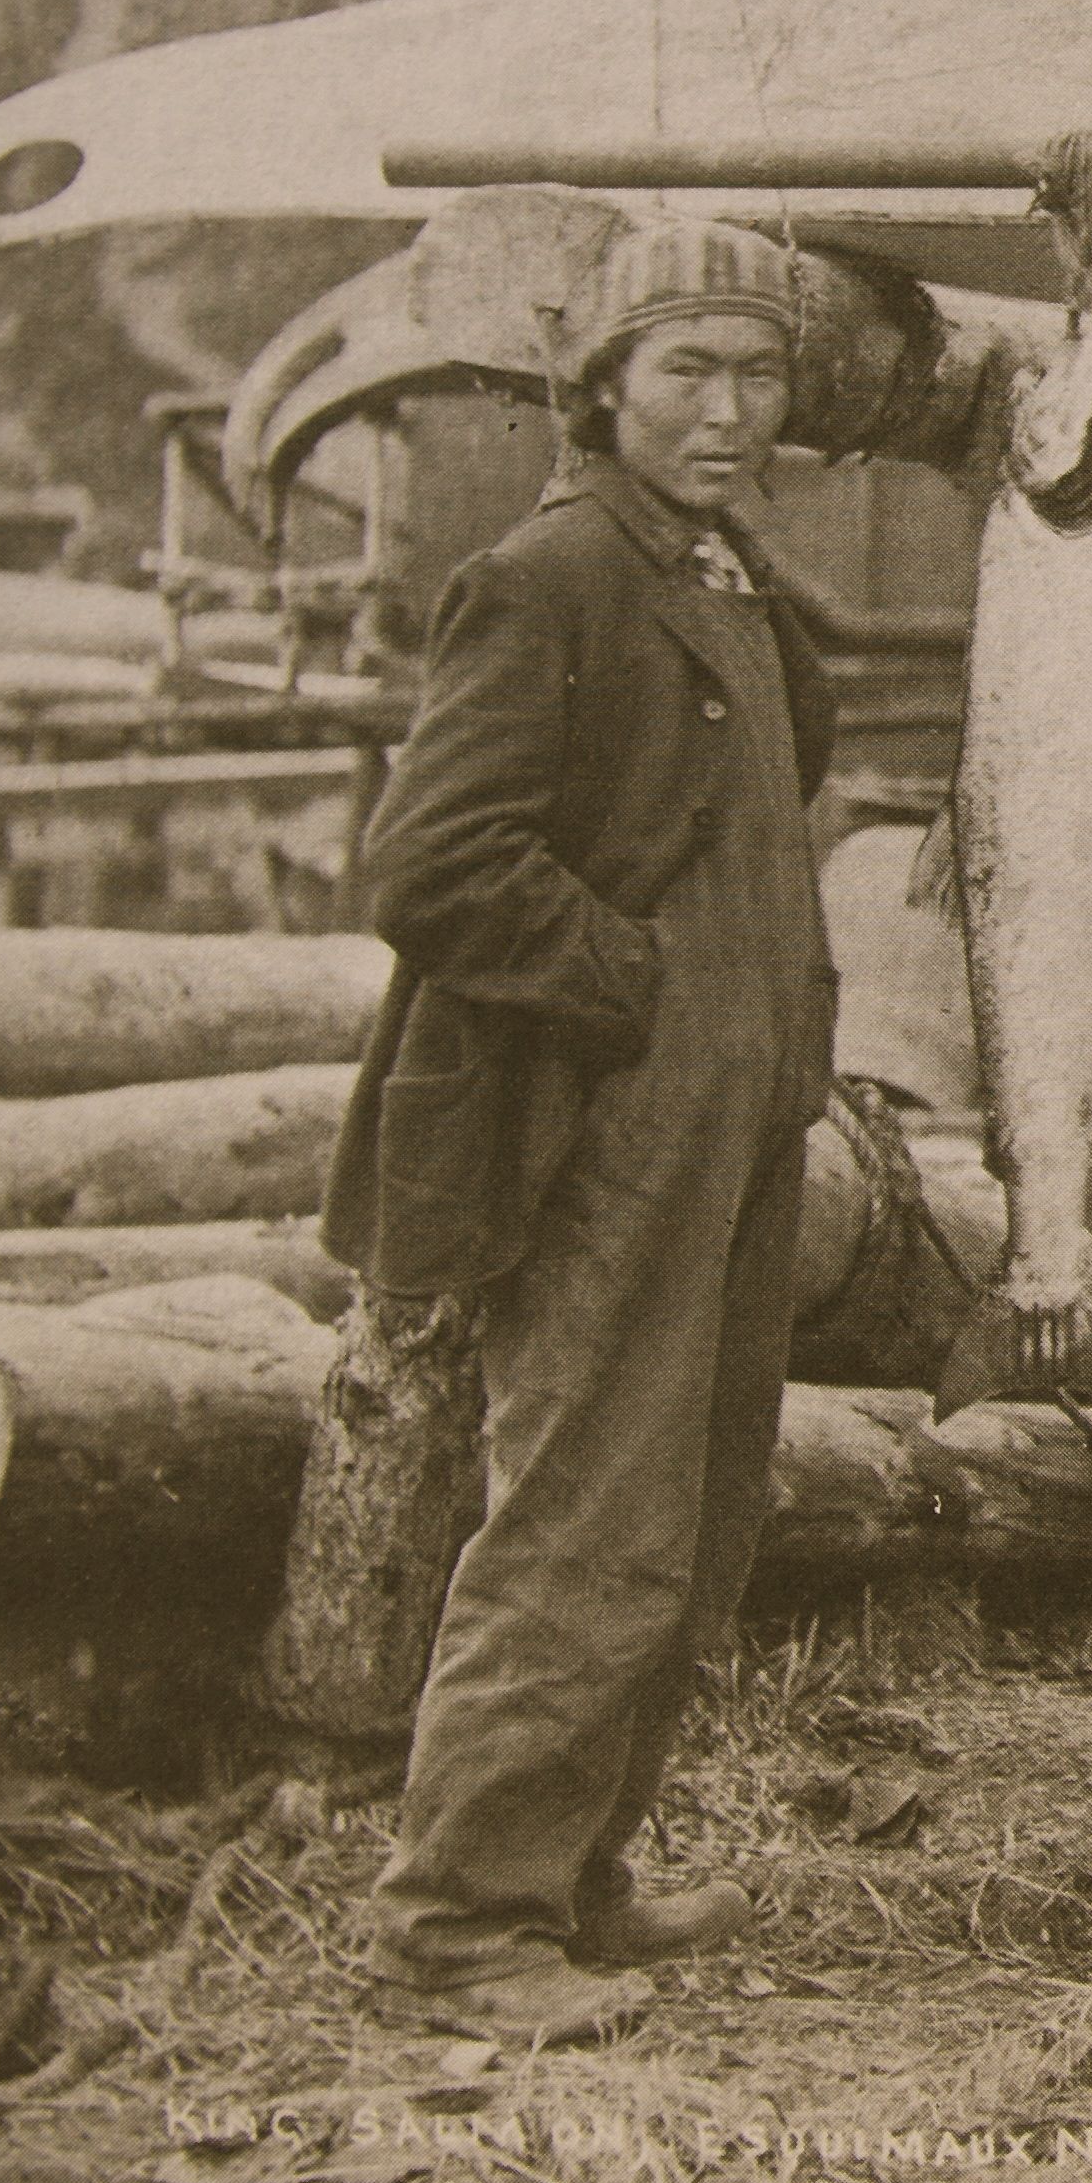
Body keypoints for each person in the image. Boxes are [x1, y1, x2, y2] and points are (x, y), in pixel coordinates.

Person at [319, 219, 837, 2043]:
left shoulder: (721, 570)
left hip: (737, 1121)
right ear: (602, 384)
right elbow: (430, 865)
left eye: (755, 371)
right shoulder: (551, 577)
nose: (725, 408)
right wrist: (630, 992)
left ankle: (579, 1874)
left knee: (695, 1518)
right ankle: (460, 1921)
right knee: (581, 1518)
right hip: (608, 1127)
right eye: (684, 368)